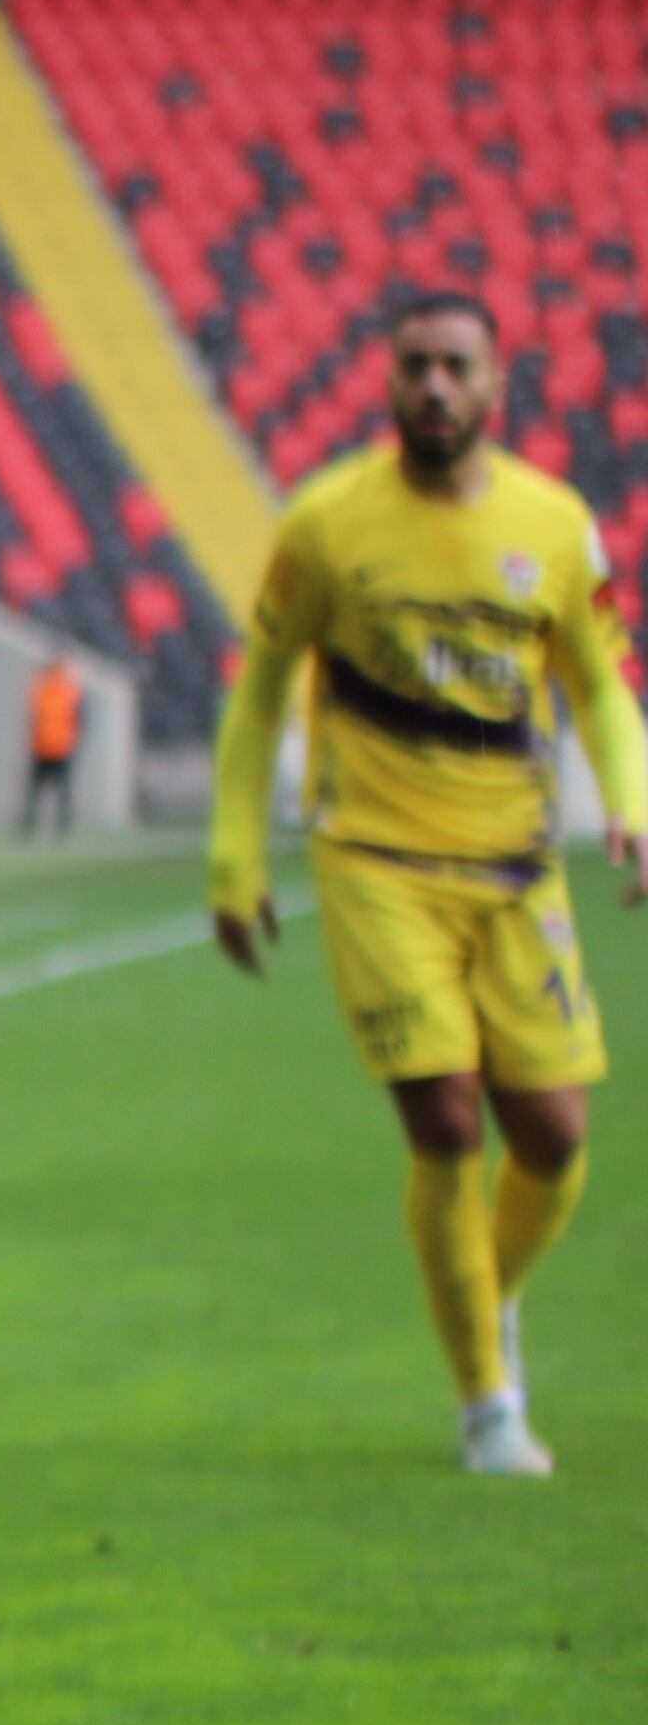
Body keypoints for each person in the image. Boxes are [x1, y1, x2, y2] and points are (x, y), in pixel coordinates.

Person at [206, 292, 645, 1479]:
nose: (435, 386)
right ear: (387, 381)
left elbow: (603, 687)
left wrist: (633, 801)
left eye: (456, 365)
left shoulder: (556, 527)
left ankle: (483, 1298)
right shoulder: (326, 524)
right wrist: (236, 859)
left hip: (517, 867)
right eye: (415, 366)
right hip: (377, 862)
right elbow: (260, 693)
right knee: (447, 1117)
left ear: (496, 382)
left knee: (554, 1135)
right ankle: (488, 1401)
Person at [23, 653, 87, 834]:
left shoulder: (65, 689)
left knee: (59, 792)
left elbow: (79, 718)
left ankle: (61, 826)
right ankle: (31, 826)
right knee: (38, 792)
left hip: (59, 747)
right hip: (45, 746)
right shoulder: (49, 688)